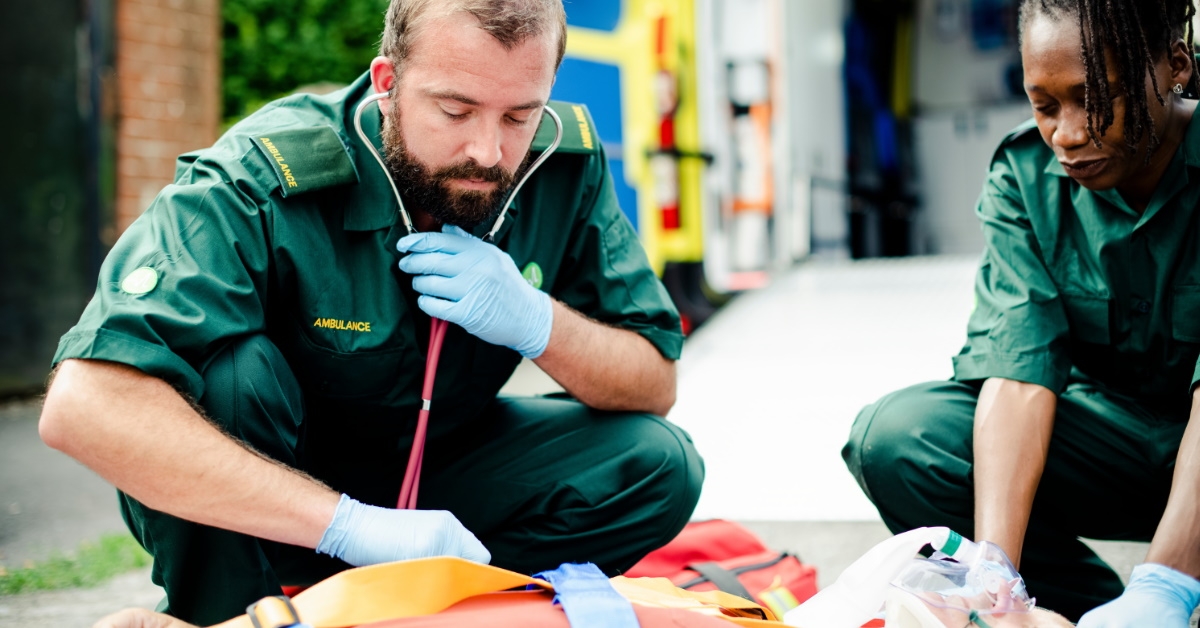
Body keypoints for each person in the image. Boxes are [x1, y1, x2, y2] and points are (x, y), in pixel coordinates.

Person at [39, 1, 704, 624]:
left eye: (517, 116)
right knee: (230, 378)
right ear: (388, 81)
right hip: (276, 501)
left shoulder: (562, 166)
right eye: (455, 110)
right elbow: (84, 406)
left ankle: (449, 608)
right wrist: (349, 525)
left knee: (657, 463)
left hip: (448, 483)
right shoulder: (261, 175)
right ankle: (230, 614)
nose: (487, 151)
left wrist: (539, 322)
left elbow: (653, 380)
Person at [843, 0, 1200, 625]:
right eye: (1044, 105)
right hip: (1117, 451)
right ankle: (1078, 609)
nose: (1065, 132)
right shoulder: (1025, 178)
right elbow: (1016, 368)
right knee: (902, 439)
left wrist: (1165, 584)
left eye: (1094, 99)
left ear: (1176, 67)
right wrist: (992, 569)